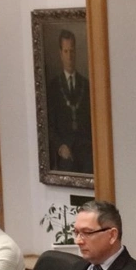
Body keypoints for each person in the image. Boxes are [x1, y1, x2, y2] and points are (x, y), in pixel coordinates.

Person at [45, 29, 92, 174]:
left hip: (86, 151)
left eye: (72, 51)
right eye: (66, 51)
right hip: (64, 152)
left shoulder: (86, 85)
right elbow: (48, 125)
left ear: (76, 52)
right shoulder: (53, 87)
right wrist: (60, 146)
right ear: (60, 54)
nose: (69, 56)